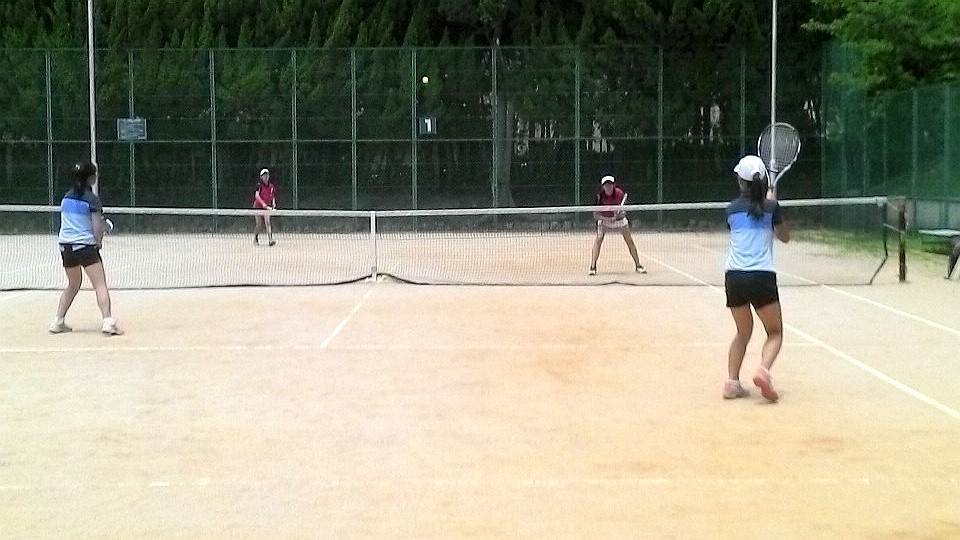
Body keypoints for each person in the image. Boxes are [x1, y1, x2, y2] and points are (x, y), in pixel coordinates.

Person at [723, 155, 790, 402]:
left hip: (734, 277)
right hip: (761, 276)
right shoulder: (771, 208)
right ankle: (763, 371)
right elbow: (785, 237)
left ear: (741, 181)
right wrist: (773, 206)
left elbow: (746, 216)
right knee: (775, 332)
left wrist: (768, 205)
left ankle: (732, 382)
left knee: (743, 332)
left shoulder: (730, 210)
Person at [49, 161, 123, 336]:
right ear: (91, 177)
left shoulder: (66, 197)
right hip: (85, 247)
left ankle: (58, 321)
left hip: (66, 246)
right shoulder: (92, 199)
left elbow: (72, 222)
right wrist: (98, 241)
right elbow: (96, 227)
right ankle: (108, 322)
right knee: (100, 285)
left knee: (73, 284)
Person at [589, 175, 646, 275]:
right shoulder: (599, 196)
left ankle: (638, 265)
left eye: (610, 184)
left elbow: (624, 211)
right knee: (598, 239)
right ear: (603, 186)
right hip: (604, 220)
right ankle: (593, 267)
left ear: (614, 185)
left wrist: (619, 215)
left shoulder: (619, 193)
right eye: (606, 185)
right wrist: (608, 219)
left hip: (619, 220)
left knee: (629, 240)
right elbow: (595, 215)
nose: (608, 186)